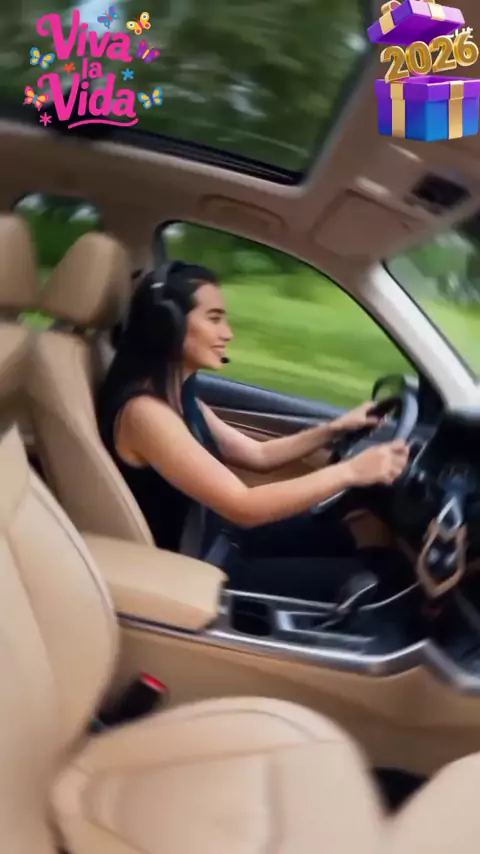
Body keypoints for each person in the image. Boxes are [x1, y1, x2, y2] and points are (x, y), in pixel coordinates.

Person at [97, 261, 410, 602]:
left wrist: (333, 429)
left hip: (219, 537)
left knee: (352, 532)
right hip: (198, 570)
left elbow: (256, 454)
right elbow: (243, 506)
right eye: (214, 319)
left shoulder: (177, 394)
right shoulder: (146, 415)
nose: (228, 333)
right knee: (373, 580)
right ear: (169, 325)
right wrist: (351, 472)